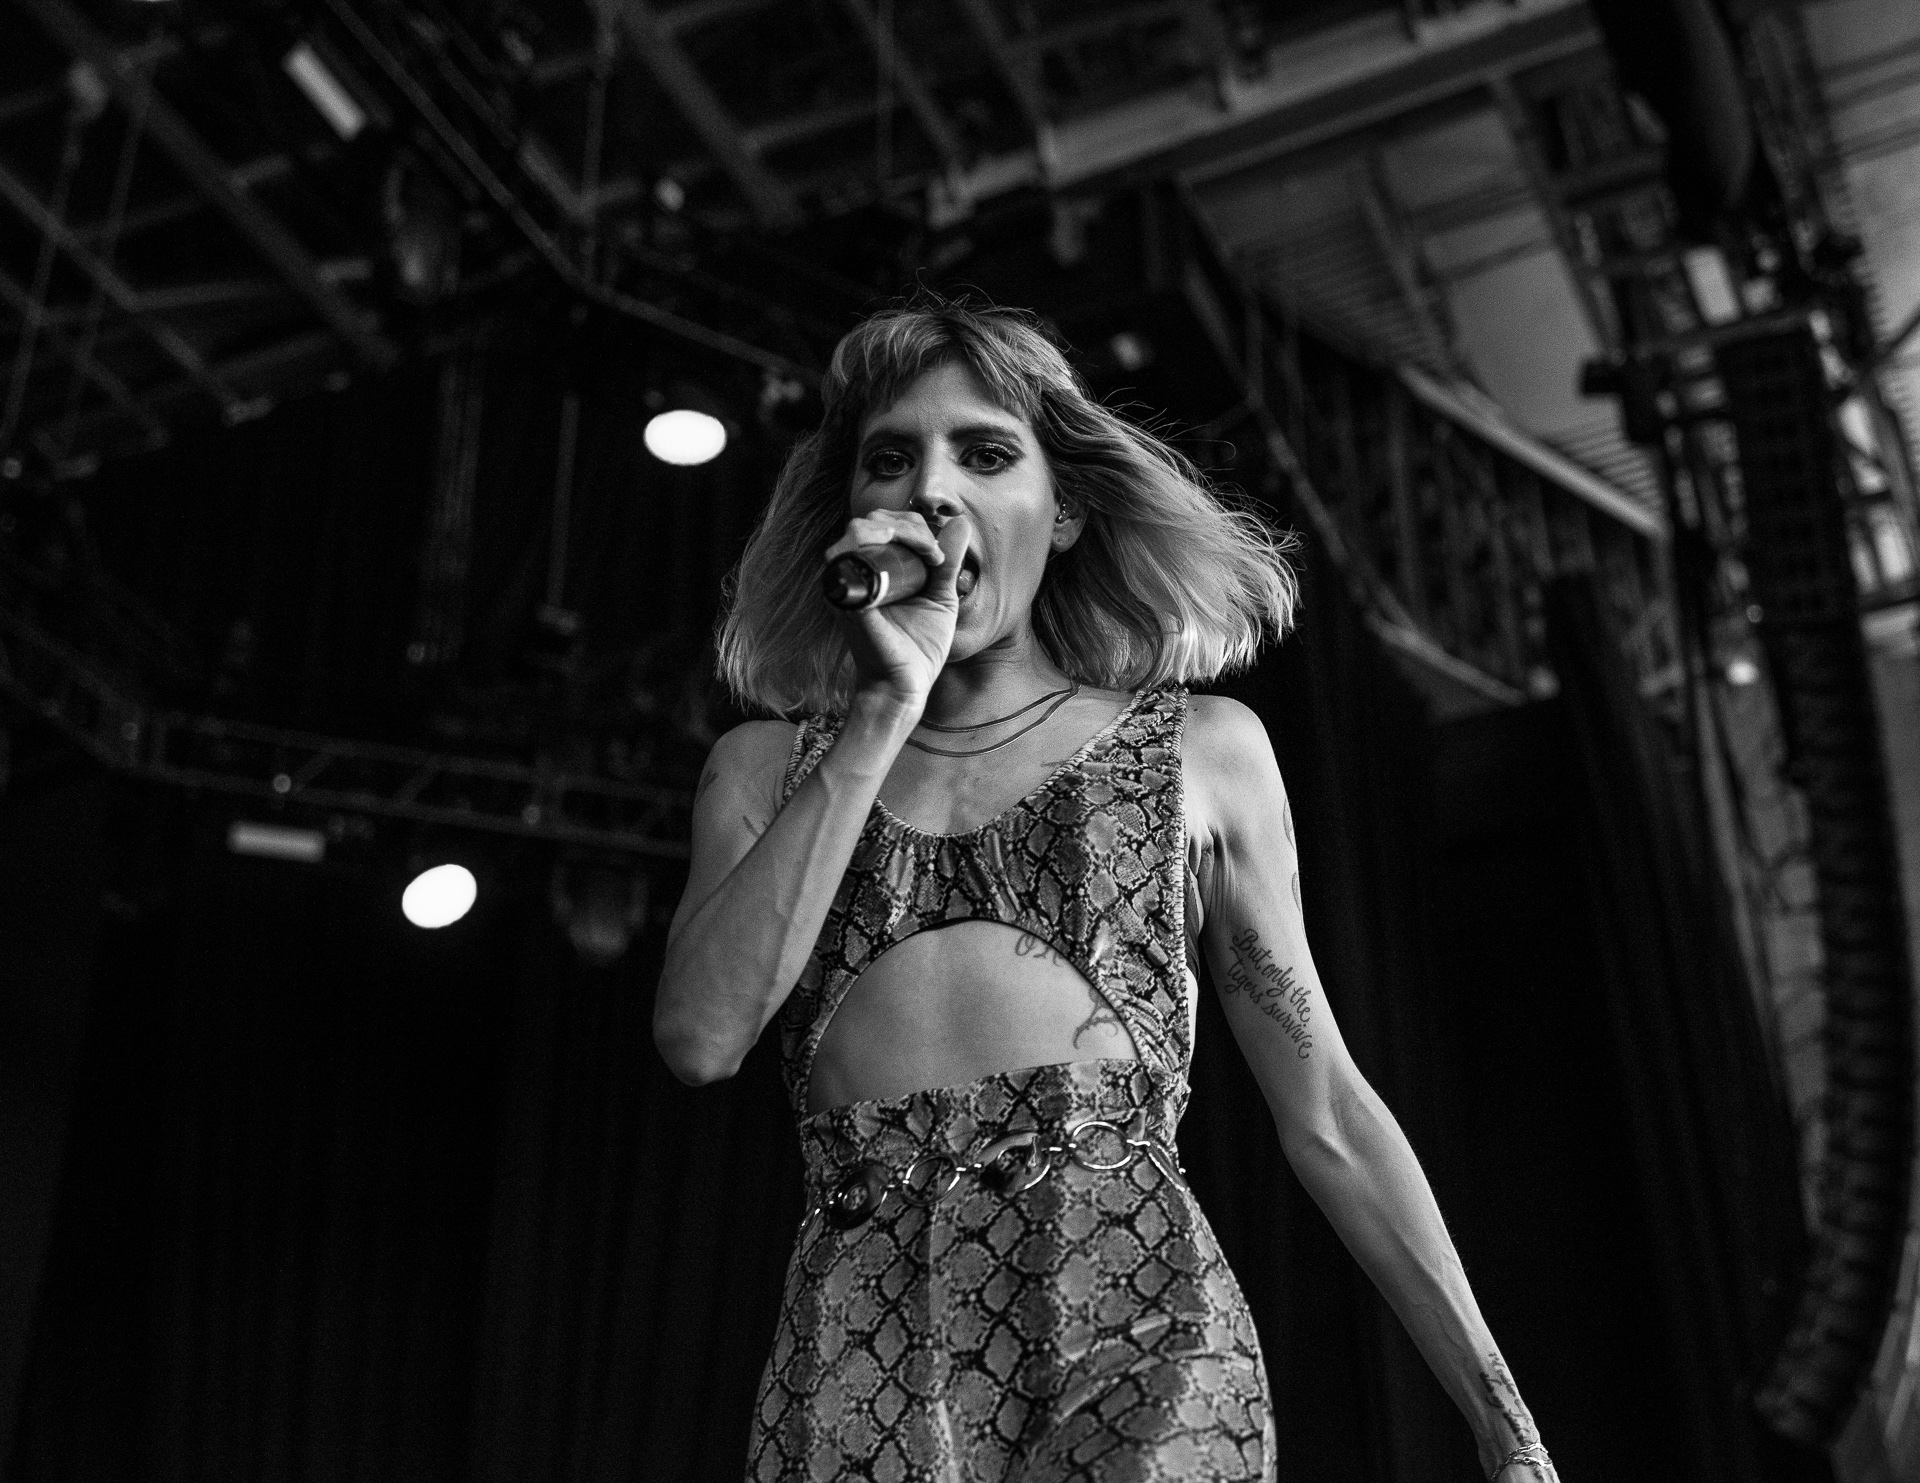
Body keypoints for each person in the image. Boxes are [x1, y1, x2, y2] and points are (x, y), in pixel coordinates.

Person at [656, 297, 1560, 1483]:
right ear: (852, 520)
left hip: (1135, 1327)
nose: (934, 491)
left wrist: (1506, 1422)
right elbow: (700, 1038)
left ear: (1067, 508)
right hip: (857, 1354)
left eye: (986, 454)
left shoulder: (1202, 752)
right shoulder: (766, 771)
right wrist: (880, 709)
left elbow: (1329, 1111)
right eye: (891, 460)